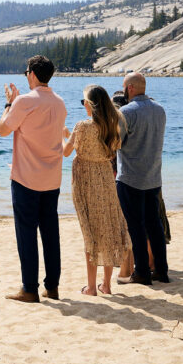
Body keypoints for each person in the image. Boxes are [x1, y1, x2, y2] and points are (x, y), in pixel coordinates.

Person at [0, 55, 67, 303]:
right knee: (50, 233)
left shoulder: (24, 102)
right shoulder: (60, 103)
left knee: (26, 233)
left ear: (33, 74)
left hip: (26, 178)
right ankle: (53, 286)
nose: (26, 75)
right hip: (52, 179)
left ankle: (29, 288)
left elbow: (3, 130)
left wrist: (9, 104)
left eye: (26, 71)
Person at [63, 85, 131, 296]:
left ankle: (91, 287)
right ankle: (106, 285)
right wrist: (69, 133)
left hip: (85, 182)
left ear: (90, 105)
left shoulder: (82, 127)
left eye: (83, 101)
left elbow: (66, 151)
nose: (83, 104)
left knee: (90, 233)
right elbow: (110, 151)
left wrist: (60, 134)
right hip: (106, 181)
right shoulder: (113, 126)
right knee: (108, 228)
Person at [116, 72, 170, 285]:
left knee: (135, 226)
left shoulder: (126, 112)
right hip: (153, 176)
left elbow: (116, 142)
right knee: (154, 224)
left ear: (129, 88)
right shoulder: (160, 110)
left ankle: (141, 273)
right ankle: (161, 270)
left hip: (130, 176)